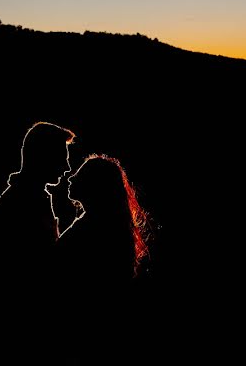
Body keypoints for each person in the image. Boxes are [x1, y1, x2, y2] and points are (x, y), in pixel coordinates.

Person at [0, 121, 76, 361]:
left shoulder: (28, 199)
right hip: (18, 337)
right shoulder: (20, 205)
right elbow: (40, 270)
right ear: (43, 156)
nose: (67, 166)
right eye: (62, 157)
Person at [56, 154, 152, 363]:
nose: (71, 178)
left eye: (80, 175)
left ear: (95, 187)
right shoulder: (103, 226)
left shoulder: (91, 229)